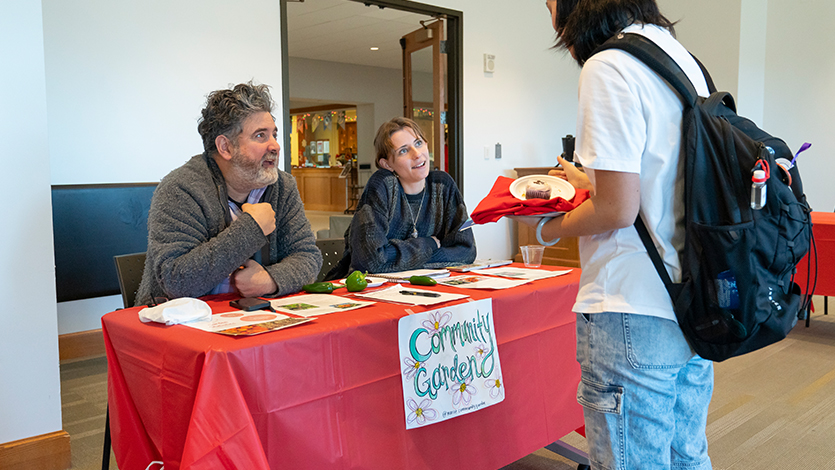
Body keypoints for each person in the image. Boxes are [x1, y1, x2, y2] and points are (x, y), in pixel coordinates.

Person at [515, 1, 715, 469]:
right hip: (692, 300)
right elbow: (666, 184)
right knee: (687, 456)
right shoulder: (682, 60)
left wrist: (546, 228)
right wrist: (592, 184)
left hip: (629, 306)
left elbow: (618, 209)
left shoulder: (609, 65)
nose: (552, 20)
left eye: (550, 4)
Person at [135, 81, 322, 305]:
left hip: (255, 316)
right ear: (225, 147)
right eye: (261, 136)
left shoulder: (283, 186)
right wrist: (252, 227)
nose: (275, 146)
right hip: (183, 324)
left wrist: (271, 280)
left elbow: (308, 257)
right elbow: (177, 280)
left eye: (274, 134)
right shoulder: (180, 188)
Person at [326, 117, 475, 278]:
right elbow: (370, 261)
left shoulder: (443, 184)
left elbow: (466, 251)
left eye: (418, 143)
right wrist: (429, 244)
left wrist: (397, 257)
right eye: (403, 151)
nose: (417, 154)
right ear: (387, 164)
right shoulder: (382, 185)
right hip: (371, 292)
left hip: (428, 287)